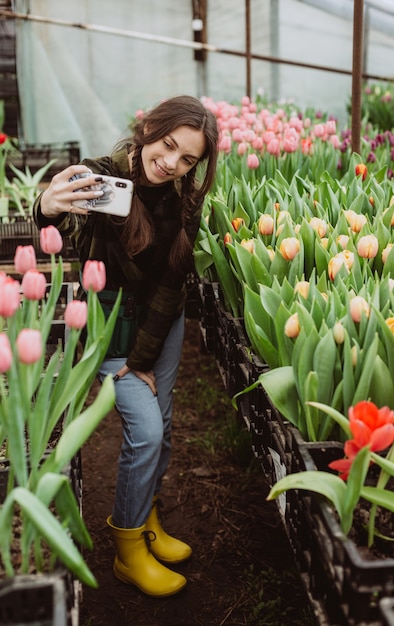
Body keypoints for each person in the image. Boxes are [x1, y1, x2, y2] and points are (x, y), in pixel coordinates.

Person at [33, 95, 219, 597]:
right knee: (148, 433)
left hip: (162, 321)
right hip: (112, 323)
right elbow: (65, 223)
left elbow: (171, 283)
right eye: (167, 145)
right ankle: (127, 548)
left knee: (166, 418)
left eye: (187, 159)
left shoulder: (183, 198)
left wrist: (145, 359)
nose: (171, 164)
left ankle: (148, 516)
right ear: (148, 130)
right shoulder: (103, 180)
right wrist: (47, 206)